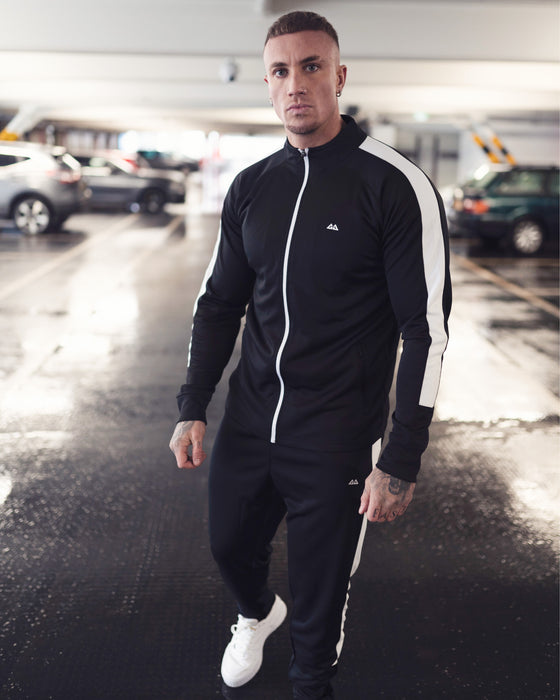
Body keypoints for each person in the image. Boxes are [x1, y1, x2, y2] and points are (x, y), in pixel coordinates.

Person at [170, 10, 451, 699]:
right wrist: (192, 405)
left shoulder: (393, 184)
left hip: (336, 432)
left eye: (311, 66)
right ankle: (256, 613)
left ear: (339, 76)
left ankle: (311, 677)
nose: (295, 83)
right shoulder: (252, 187)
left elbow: (426, 330)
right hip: (251, 418)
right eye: (280, 71)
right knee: (229, 546)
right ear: (268, 85)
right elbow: (218, 304)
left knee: (319, 609)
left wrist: (401, 457)